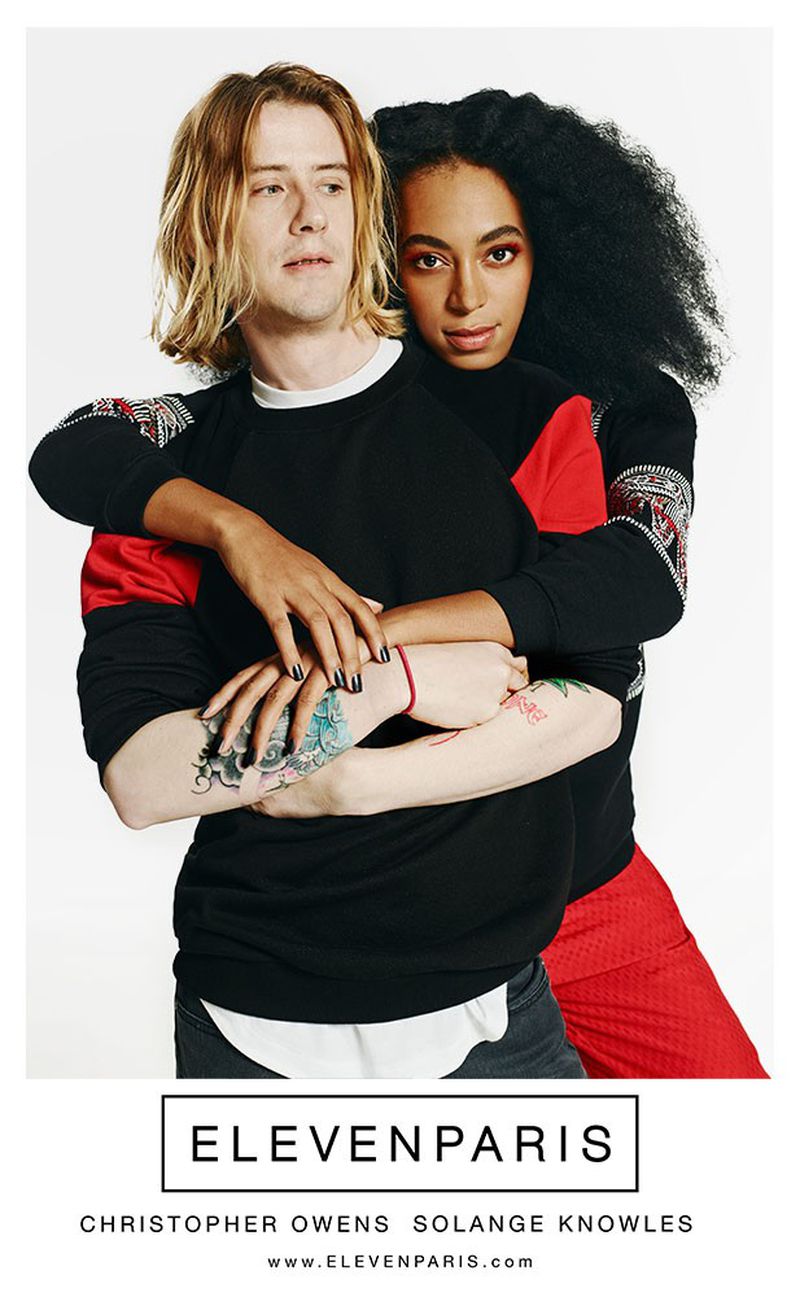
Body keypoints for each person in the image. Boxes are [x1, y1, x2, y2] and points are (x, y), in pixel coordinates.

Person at [29, 63, 638, 1080]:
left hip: (495, 1019)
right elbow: (140, 778)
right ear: (208, 222)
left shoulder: (524, 417)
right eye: (267, 185)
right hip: (247, 1024)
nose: (307, 214)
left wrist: (350, 784)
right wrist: (385, 685)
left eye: (331, 182)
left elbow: (592, 702)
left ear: (367, 210)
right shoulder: (161, 488)